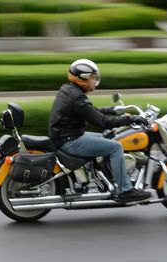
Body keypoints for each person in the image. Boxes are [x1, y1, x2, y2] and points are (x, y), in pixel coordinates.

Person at [49, 59, 152, 203]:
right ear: (83, 78)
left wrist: (111, 110)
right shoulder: (77, 97)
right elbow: (103, 122)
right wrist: (131, 119)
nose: (94, 81)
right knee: (115, 146)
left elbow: (89, 111)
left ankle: (106, 179)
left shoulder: (69, 90)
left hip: (66, 136)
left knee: (108, 137)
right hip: (70, 140)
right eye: (92, 77)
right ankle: (125, 190)